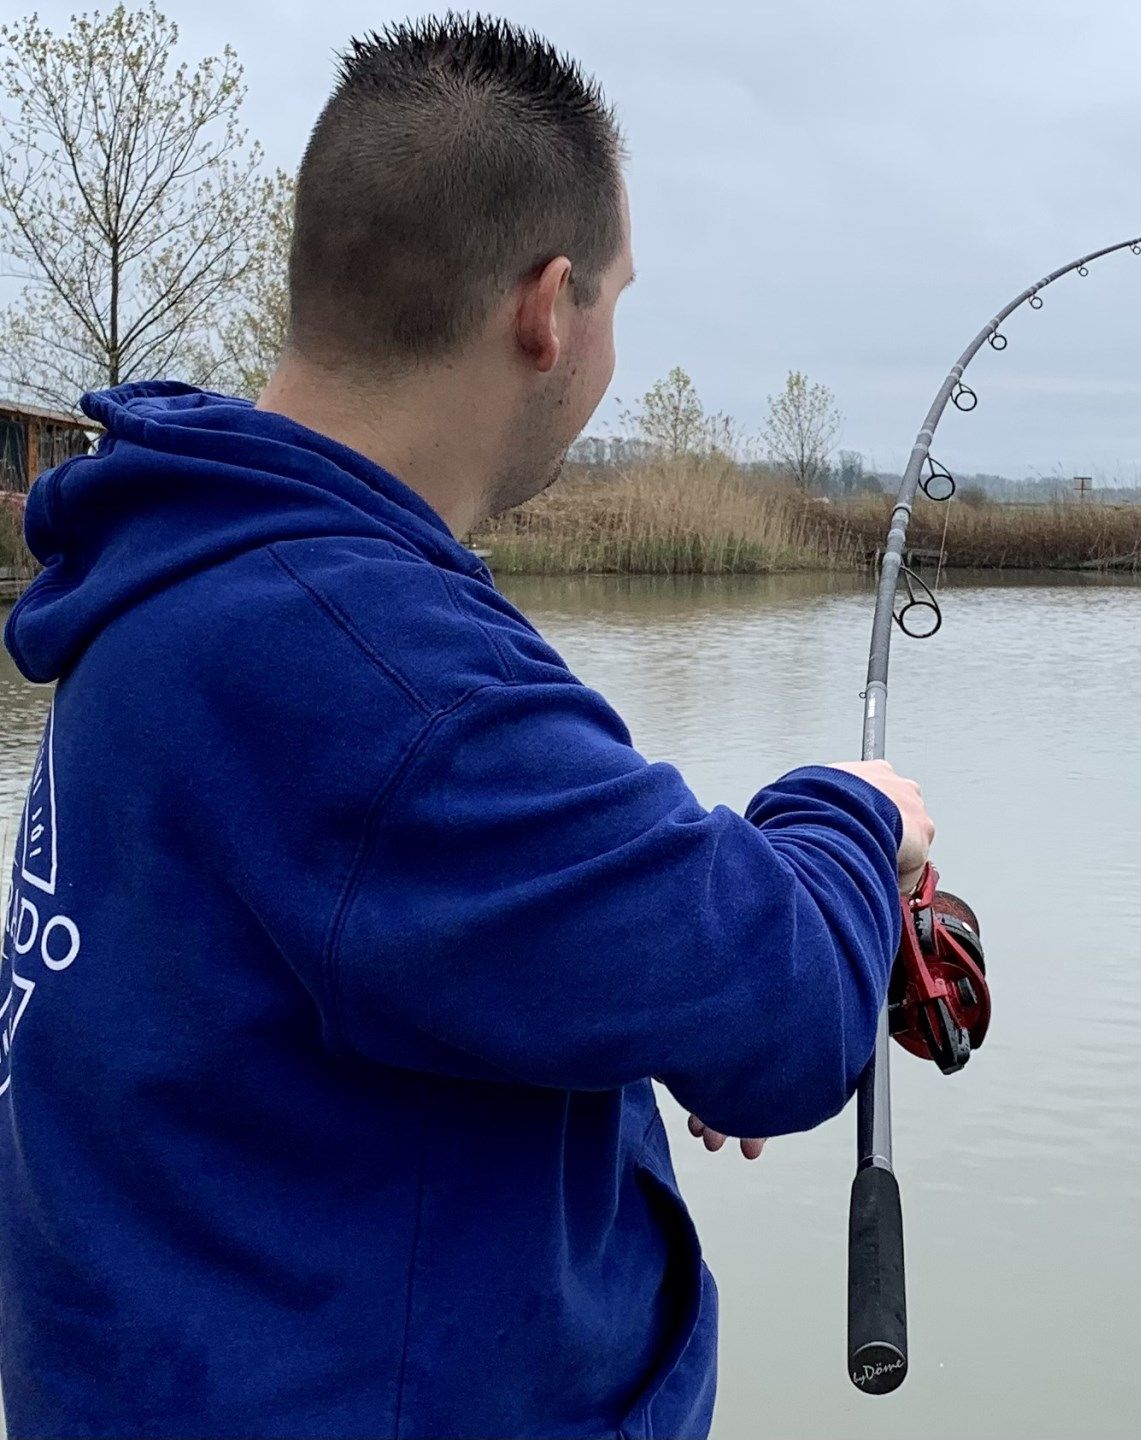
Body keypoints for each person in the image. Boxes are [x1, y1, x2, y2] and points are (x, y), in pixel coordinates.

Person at [0, 16, 932, 1438]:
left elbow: (342, 964)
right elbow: (791, 1012)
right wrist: (862, 815)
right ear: (548, 309)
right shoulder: (373, 674)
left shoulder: (182, 577)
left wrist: (623, 1004)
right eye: (620, 298)